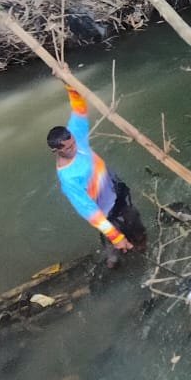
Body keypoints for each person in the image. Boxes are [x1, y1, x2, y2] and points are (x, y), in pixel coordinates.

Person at [48, 86, 147, 268]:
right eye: (68, 148)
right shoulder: (69, 179)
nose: (74, 148)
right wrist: (116, 237)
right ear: (56, 151)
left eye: (74, 143)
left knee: (136, 225)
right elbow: (90, 212)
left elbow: (79, 110)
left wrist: (69, 85)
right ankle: (114, 262)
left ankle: (141, 248)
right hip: (104, 209)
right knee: (115, 250)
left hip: (116, 190)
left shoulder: (75, 137)